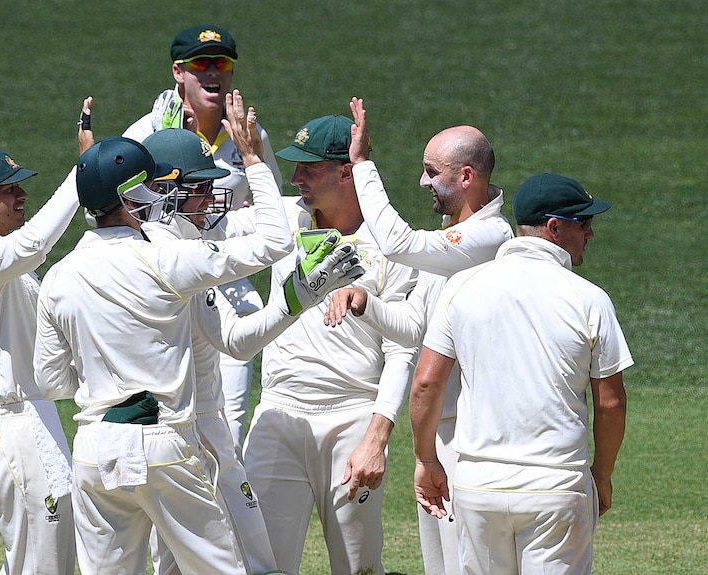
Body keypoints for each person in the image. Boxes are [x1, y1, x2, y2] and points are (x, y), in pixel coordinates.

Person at [32, 91, 294, 575]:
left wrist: (106, 386)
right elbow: (277, 241)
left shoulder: (57, 278)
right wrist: (253, 159)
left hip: (94, 447)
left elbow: (51, 383)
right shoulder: (167, 260)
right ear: (137, 195)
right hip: (164, 444)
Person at [138, 127, 362, 575]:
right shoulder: (176, 260)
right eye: (200, 187)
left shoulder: (157, 245)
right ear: (165, 193)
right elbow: (240, 340)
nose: (212, 197)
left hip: (175, 432)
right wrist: (294, 299)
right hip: (186, 435)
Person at [326, 98, 514, 575]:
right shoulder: (451, 237)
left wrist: (362, 164)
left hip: (475, 433)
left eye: (432, 172)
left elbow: (399, 244)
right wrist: (368, 306)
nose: (423, 182)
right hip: (438, 429)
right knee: (440, 563)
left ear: (467, 177)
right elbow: (414, 327)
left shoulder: (489, 236)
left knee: (469, 564)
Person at [411, 173, 632, 575]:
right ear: (554, 228)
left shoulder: (461, 287)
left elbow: (426, 382)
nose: (591, 234)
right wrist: (602, 474)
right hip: (555, 490)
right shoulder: (589, 298)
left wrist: (427, 459)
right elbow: (611, 403)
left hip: (478, 488)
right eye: (584, 224)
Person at [241, 113, 422, 575]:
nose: (297, 178)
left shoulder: (392, 245)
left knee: (357, 567)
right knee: (262, 565)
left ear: (347, 170)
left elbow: (402, 351)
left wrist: (377, 439)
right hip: (278, 415)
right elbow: (201, 221)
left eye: (309, 168)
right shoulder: (280, 219)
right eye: (294, 167)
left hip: (352, 422)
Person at [0, 97, 94, 575]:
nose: (22, 195)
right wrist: (83, 174)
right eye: (9, 190)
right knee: (41, 556)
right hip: (5, 421)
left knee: (50, 550)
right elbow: (34, 247)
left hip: (34, 414)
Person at [123, 23, 283, 452]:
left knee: (228, 417)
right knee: (170, 406)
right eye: (201, 63)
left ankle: (225, 505)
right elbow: (111, 211)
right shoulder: (146, 133)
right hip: (165, 282)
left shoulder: (249, 134)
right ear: (179, 71)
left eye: (223, 63)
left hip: (227, 281)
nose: (214, 72)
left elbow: (274, 196)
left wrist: (252, 215)